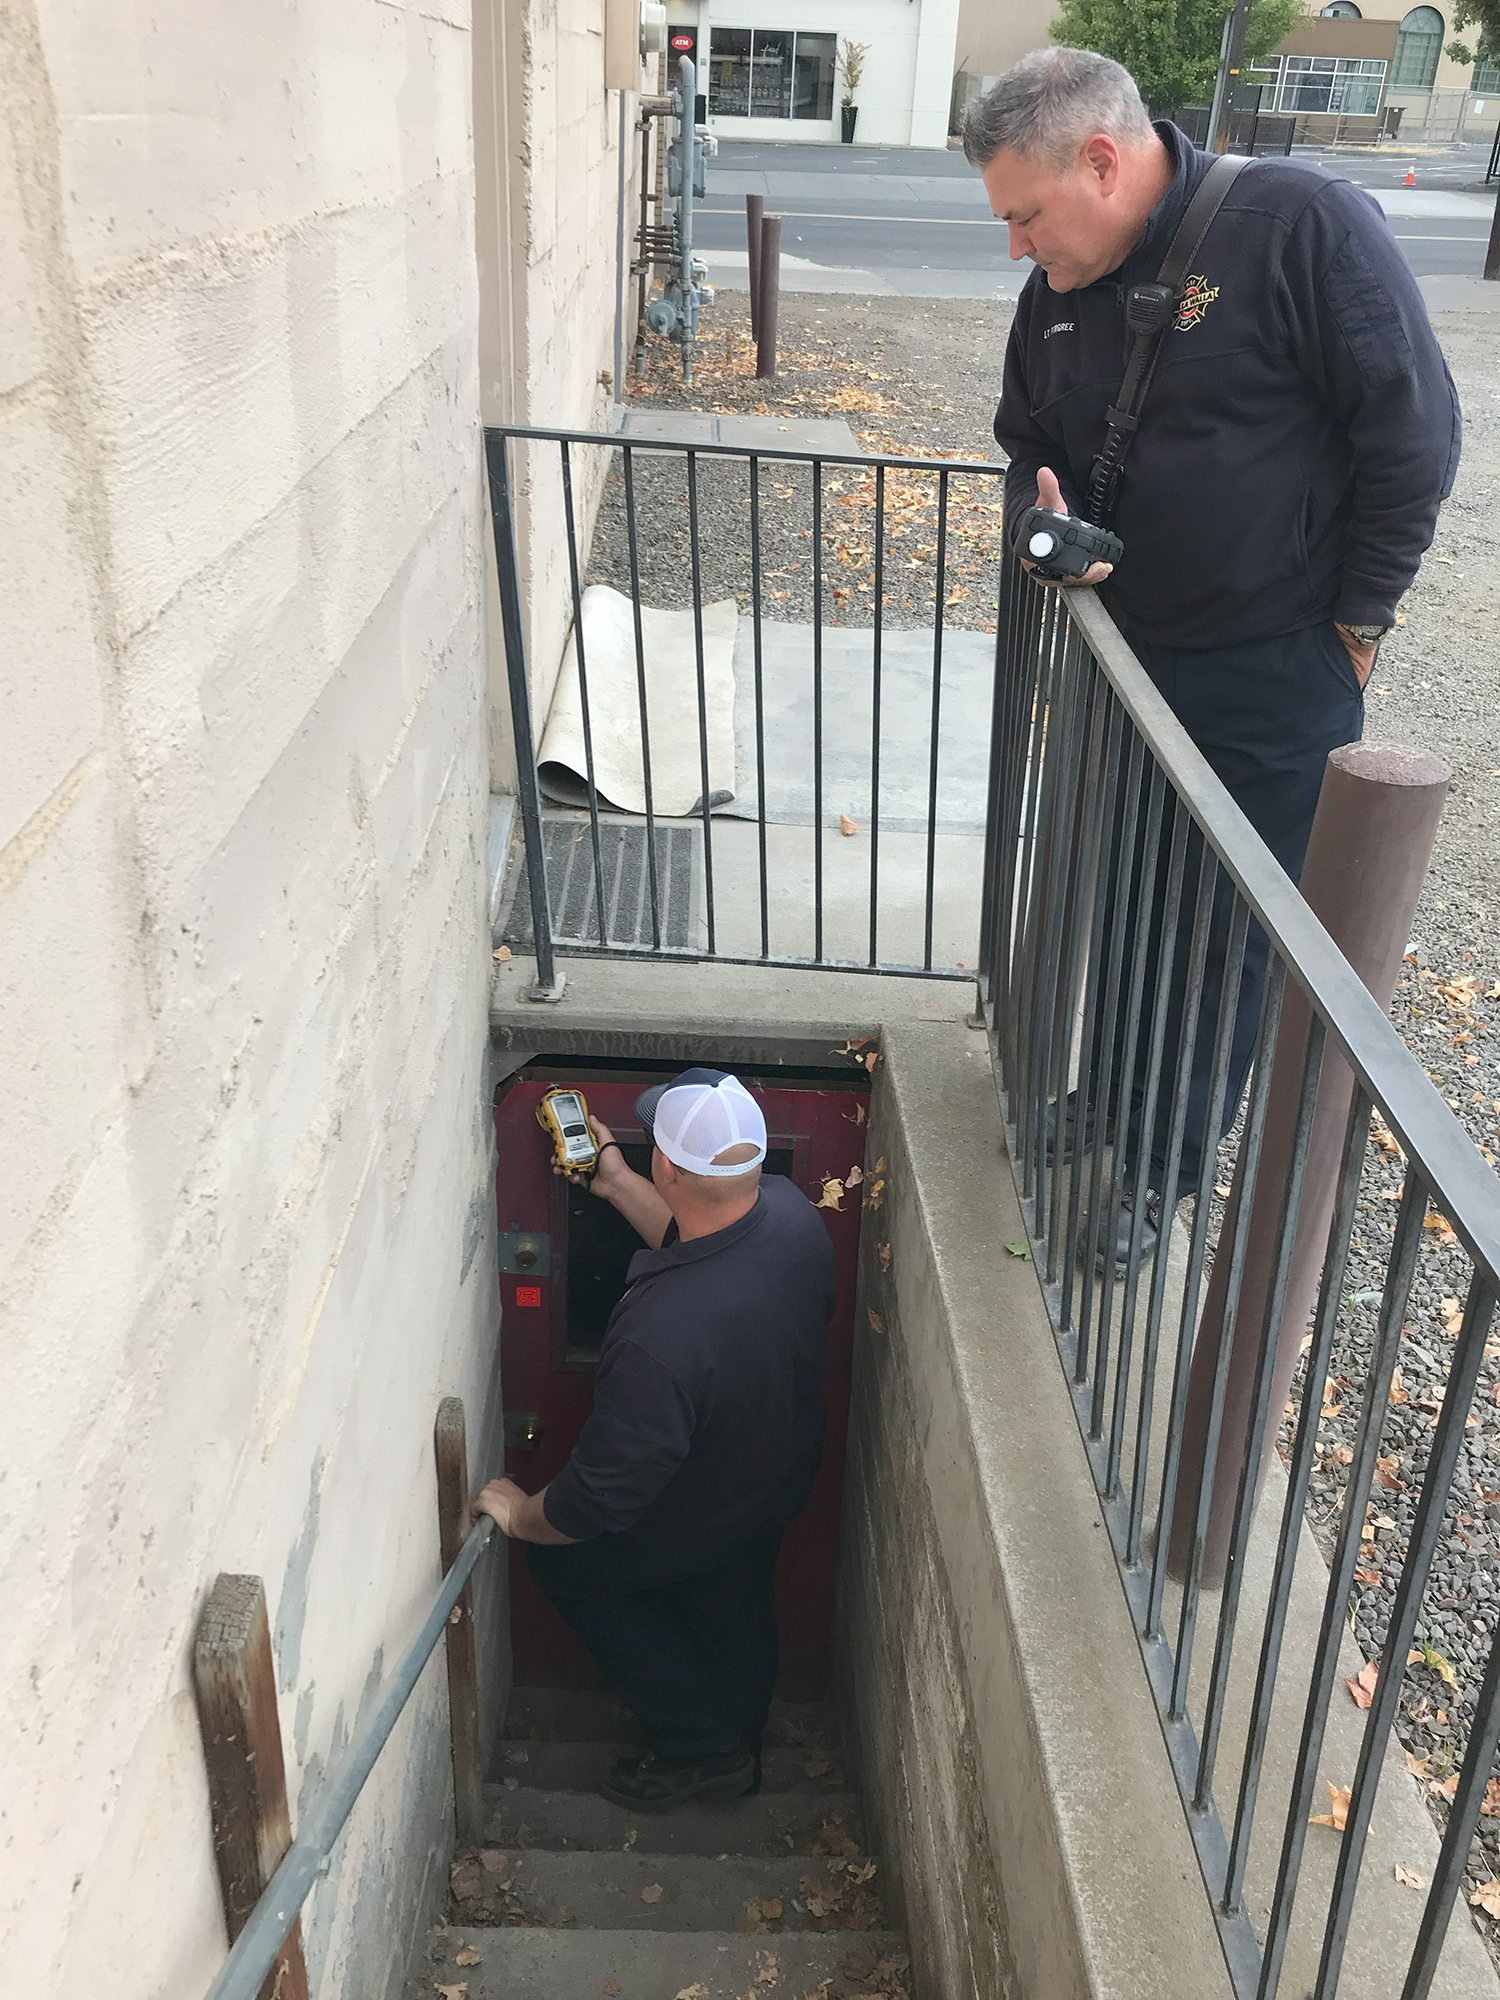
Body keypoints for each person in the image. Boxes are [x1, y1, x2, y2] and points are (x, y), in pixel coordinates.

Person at [965, 48, 1460, 1267]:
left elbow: (1415, 432)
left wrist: (1359, 627)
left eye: (1025, 214)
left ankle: (1165, 1163)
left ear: (1102, 159)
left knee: (1228, 937)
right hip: (1132, 659)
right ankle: (1115, 1099)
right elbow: (1025, 445)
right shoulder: (1061, 292)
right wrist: (1047, 533)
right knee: (1130, 895)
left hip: (1278, 668)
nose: (1016, 247)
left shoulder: (1299, 226)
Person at [472, 1067, 835, 1812]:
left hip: (694, 1503)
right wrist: (610, 1180)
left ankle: (702, 1752)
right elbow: (702, 1237)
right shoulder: (794, 1214)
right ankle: (741, 1732)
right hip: (771, 1476)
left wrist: (521, 1517)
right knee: (735, 1593)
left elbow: (595, 1500)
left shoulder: (660, 1337)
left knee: (573, 1571)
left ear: (665, 1165)